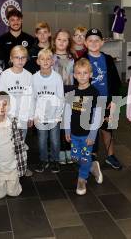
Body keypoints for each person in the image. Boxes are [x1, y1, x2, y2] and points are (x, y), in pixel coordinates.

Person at [83, 28, 122, 170]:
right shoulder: (82, 60)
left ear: (102, 42)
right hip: (89, 102)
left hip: (106, 101)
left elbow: (116, 82)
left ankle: (111, 155)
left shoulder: (108, 59)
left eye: (97, 40)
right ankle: (91, 154)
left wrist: (114, 101)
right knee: (89, 129)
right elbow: (76, 84)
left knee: (107, 129)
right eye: (90, 40)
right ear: (85, 43)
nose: (94, 43)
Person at [64, 58, 102, 196]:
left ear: (91, 74)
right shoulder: (71, 93)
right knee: (75, 157)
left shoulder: (94, 93)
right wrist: (67, 129)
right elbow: (67, 112)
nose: (82, 76)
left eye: (85, 73)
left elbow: (97, 116)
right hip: (74, 133)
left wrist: (92, 135)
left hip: (87, 134)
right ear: (74, 75)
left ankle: (82, 179)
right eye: (79, 73)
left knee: (84, 158)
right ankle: (92, 166)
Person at [0, 45, 34, 176]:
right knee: (8, 144)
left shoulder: (29, 76)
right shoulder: (5, 75)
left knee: (21, 143)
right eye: (17, 58)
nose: (20, 60)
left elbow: (31, 98)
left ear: (26, 59)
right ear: (11, 59)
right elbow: (1, 95)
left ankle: (21, 167)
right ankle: (9, 168)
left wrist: (31, 116)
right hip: (9, 117)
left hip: (23, 117)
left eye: (23, 58)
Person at [32, 49, 64, 173]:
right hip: (40, 117)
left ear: (52, 61)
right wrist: (34, 115)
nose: (45, 61)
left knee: (55, 140)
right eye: (42, 59)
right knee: (41, 140)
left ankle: (55, 160)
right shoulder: (34, 78)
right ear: (38, 61)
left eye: (48, 59)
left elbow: (61, 98)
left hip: (54, 116)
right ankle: (43, 160)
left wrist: (58, 115)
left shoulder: (57, 78)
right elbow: (32, 98)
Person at [52, 29, 75, 165]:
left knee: (69, 122)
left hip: (70, 91)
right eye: (59, 39)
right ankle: (60, 151)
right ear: (55, 41)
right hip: (56, 93)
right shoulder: (51, 57)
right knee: (59, 122)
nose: (61, 42)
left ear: (68, 42)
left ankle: (69, 149)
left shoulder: (73, 57)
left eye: (65, 40)